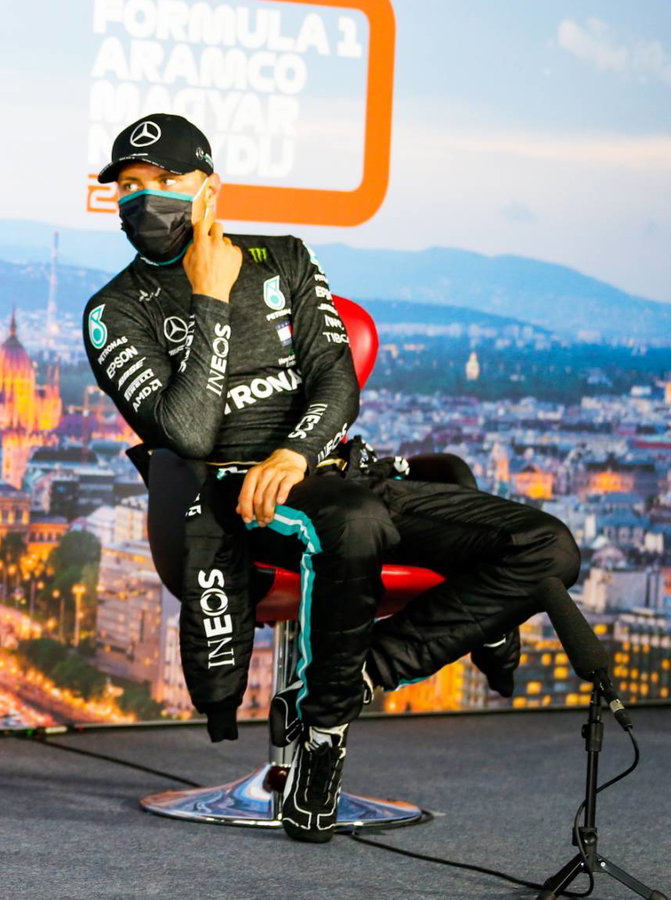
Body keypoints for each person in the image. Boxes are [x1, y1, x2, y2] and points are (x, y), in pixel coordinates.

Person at [82, 114, 580, 843]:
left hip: (333, 471)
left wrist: (296, 453)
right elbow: (186, 434)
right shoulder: (113, 311)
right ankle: (322, 739)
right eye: (129, 184)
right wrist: (211, 298)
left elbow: (336, 380)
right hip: (234, 497)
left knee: (547, 547)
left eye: (165, 181)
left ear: (210, 189)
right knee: (352, 521)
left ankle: (346, 683)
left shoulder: (284, 258)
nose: (143, 197)